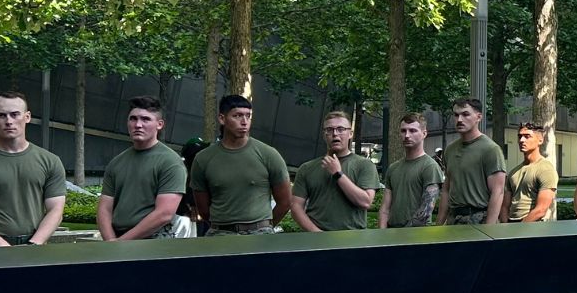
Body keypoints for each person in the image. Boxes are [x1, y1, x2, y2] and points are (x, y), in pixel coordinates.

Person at [0, 91, 68, 247]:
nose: (9, 121)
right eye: (2, 115)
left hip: (34, 248)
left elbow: (56, 210)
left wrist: (34, 244)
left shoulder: (50, 161)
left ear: (27, 117)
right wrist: (5, 249)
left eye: (15, 114)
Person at [189, 94, 293, 236]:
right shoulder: (203, 159)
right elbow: (203, 208)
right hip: (220, 234)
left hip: (260, 232)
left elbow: (285, 202)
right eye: (237, 116)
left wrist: (265, 228)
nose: (244, 122)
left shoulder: (268, 154)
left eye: (248, 116)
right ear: (222, 118)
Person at [97, 96, 189, 241]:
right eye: (133, 119)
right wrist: (111, 241)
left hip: (154, 241)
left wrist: (120, 243)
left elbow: (164, 213)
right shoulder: (116, 163)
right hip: (116, 239)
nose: (138, 124)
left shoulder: (171, 162)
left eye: (146, 119)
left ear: (159, 124)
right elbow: (104, 209)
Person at [291, 112, 382, 232]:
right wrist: (317, 233)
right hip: (316, 239)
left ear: (350, 134)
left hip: (353, 239)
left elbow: (365, 202)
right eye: (329, 130)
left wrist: (338, 174)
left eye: (341, 129)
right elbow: (296, 207)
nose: (335, 134)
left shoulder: (364, 165)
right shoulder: (307, 168)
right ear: (324, 135)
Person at [435, 98, 506, 225]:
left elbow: (498, 191)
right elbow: (446, 189)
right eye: (456, 115)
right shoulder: (450, 150)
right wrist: (438, 225)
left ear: (478, 117)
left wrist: (489, 230)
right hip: (453, 220)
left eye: (465, 114)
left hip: (479, 219)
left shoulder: (491, 149)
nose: (460, 119)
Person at [379, 113, 443, 228]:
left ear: (424, 134)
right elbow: (385, 208)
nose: (407, 135)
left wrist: (404, 236)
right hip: (391, 234)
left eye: (413, 131)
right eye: (403, 131)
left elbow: (426, 211)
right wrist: (383, 234)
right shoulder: (393, 168)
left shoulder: (430, 167)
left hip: (417, 236)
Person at [501, 123, 560, 223]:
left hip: (533, 226)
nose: (521, 140)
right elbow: (504, 206)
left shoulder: (546, 169)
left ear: (540, 140)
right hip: (511, 224)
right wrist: (505, 227)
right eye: (520, 136)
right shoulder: (513, 172)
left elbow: (541, 210)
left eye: (527, 136)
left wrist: (520, 229)